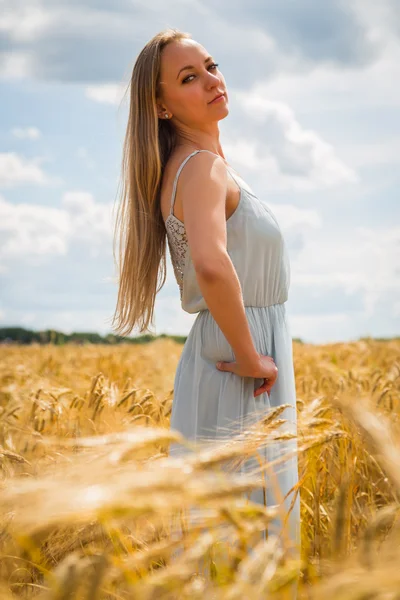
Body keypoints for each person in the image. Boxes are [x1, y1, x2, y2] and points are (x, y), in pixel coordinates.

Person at [112, 27, 301, 564]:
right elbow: (212, 266)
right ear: (162, 106)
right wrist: (249, 356)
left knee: (224, 526)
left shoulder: (186, 167)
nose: (213, 81)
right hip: (242, 352)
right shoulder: (203, 168)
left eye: (211, 66)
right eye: (189, 78)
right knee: (248, 526)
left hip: (224, 346)